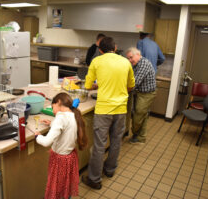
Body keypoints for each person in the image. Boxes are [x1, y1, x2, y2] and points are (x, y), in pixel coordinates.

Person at [82, 37, 135, 190]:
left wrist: (100, 85)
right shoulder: (125, 62)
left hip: (104, 110)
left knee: (99, 145)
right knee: (116, 141)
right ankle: (110, 170)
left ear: (100, 50)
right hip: (121, 109)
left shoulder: (97, 62)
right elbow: (131, 85)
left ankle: (95, 179)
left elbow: (87, 85)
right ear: (115, 47)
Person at [34, 93, 88, 199]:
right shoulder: (73, 114)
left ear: (58, 102)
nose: (53, 110)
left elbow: (46, 142)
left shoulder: (60, 118)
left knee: (56, 188)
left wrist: (38, 137)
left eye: (52, 107)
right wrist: (51, 124)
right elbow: (65, 127)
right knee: (65, 186)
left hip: (60, 161)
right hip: (70, 158)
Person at [126, 47, 156, 144]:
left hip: (146, 94)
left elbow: (135, 82)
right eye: (128, 59)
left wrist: (122, 90)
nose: (130, 60)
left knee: (138, 115)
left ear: (138, 54)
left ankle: (135, 133)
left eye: (131, 58)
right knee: (143, 115)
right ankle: (141, 138)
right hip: (140, 93)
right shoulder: (136, 63)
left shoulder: (143, 64)